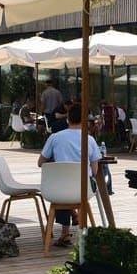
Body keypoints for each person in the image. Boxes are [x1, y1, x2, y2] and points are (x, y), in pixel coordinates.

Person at [38, 102, 102, 248]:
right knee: (70, 186)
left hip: (58, 191)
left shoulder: (55, 138)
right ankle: (72, 220)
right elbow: (94, 170)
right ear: (85, 120)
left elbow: (41, 162)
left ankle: (65, 232)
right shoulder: (89, 139)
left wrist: (59, 163)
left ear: (68, 118)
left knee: (62, 187)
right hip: (83, 190)